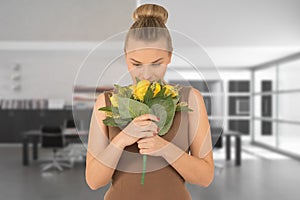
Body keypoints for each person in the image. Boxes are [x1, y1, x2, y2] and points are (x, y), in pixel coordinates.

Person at [85, 3, 214, 200]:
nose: (146, 74)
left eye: (156, 63)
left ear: (169, 57)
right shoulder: (106, 102)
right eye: (136, 64)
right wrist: (122, 139)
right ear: (126, 57)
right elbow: (94, 181)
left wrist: (165, 148)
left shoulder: (191, 99)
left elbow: (205, 177)